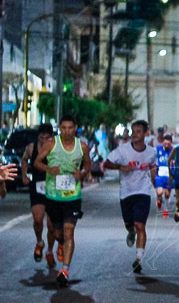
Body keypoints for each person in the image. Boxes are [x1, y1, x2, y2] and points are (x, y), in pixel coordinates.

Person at [34, 115, 92, 287]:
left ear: (75, 128)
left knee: (69, 232)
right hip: (53, 196)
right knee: (57, 233)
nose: (66, 131)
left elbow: (88, 165)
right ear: (60, 128)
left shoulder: (82, 147)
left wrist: (81, 173)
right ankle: (60, 244)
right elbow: (36, 162)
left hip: (73, 197)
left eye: (70, 128)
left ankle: (64, 271)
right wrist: (48, 169)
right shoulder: (51, 144)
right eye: (63, 128)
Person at [104, 120, 158, 274]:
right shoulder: (123, 150)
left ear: (145, 134)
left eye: (138, 131)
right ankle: (130, 231)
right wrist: (121, 166)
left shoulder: (151, 152)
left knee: (140, 225)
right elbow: (107, 163)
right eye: (133, 131)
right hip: (126, 193)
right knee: (130, 224)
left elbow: (153, 167)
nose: (134, 134)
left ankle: (139, 259)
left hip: (143, 192)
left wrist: (157, 183)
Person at [22, 124, 57, 265]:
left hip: (53, 188)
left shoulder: (56, 148)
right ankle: (39, 242)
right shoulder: (31, 148)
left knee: (51, 225)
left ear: (52, 137)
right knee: (38, 219)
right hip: (37, 186)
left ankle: (49, 251)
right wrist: (24, 175)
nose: (44, 140)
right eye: (41, 137)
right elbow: (24, 159)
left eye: (47, 137)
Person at [154, 134, 174, 216]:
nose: (166, 145)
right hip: (160, 174)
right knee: (159, 192)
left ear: (171, 143)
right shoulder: (158, 149)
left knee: (167, 194)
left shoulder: (174, 151)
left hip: (169, 175)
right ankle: (159, 199)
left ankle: (165, 210)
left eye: (168, 144)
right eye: (165, 143)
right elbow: (153, 158)